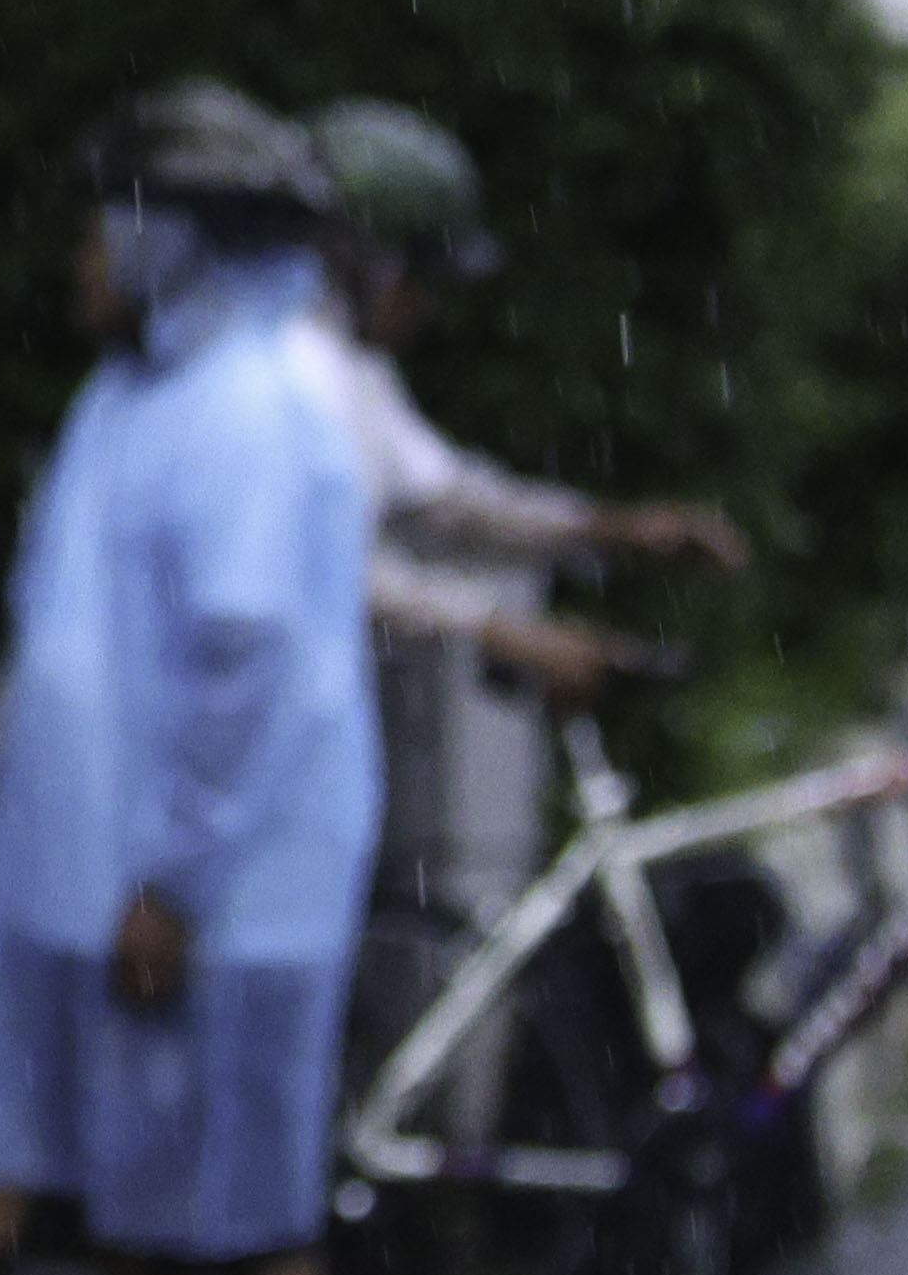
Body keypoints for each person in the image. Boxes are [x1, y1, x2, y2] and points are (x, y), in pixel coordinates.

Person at [0, 84, 379, 1275]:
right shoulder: (137, 397)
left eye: (105, 227)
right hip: (129, 882)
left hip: (227, 899)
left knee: (253, 1212)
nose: (83, 258)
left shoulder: (249, 408)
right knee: (140, 1196)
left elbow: (247, 668)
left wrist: (175, 877)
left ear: (171, 243)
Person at [293, 97, 749, 853]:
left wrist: (611, 532)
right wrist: (503, 632)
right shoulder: (292, 376)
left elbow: (445, 501)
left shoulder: (342, 365)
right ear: (365, 260)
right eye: (421, 277)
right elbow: (318, 571)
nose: (427, 307)